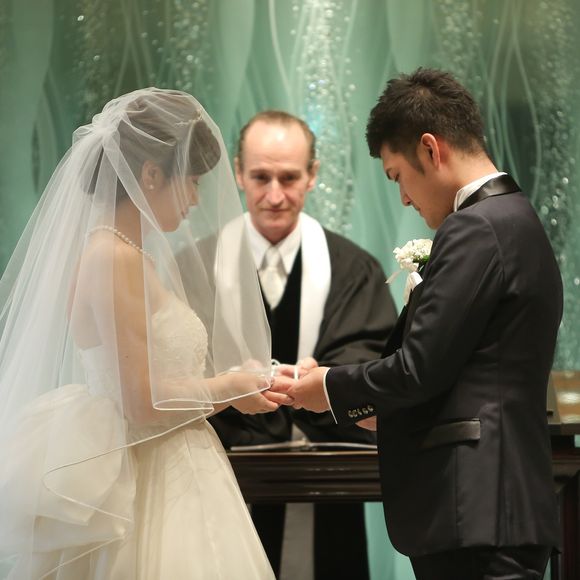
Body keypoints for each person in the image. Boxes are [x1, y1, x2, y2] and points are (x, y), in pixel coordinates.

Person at [0, 88, 288, 579]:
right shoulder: (112, 258)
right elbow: (140, 401)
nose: (196, 198)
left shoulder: (131, 255)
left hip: (174, 460)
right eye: (191, 181)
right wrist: (228, 388)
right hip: (151, 474)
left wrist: (244, 378)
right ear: (151, 175)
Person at [286, 68, 562, 580]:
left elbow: (417, 369)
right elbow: (463, 377)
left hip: (478, 512)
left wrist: (326, 386)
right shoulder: (511, 219)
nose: (405, 199)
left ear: (431, 149)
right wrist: (376, 409)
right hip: (494, 509)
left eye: (397, 177)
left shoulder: (477, 227)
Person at [208, 110, 397, 579]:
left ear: (312, 175)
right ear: (238, 172)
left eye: (289, 178)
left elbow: (373, 359)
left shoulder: (355, 268)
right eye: (260, 177)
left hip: (328, 481)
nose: (275, 195)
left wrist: (326, 382)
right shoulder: (197, 265)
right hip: (224, 479)